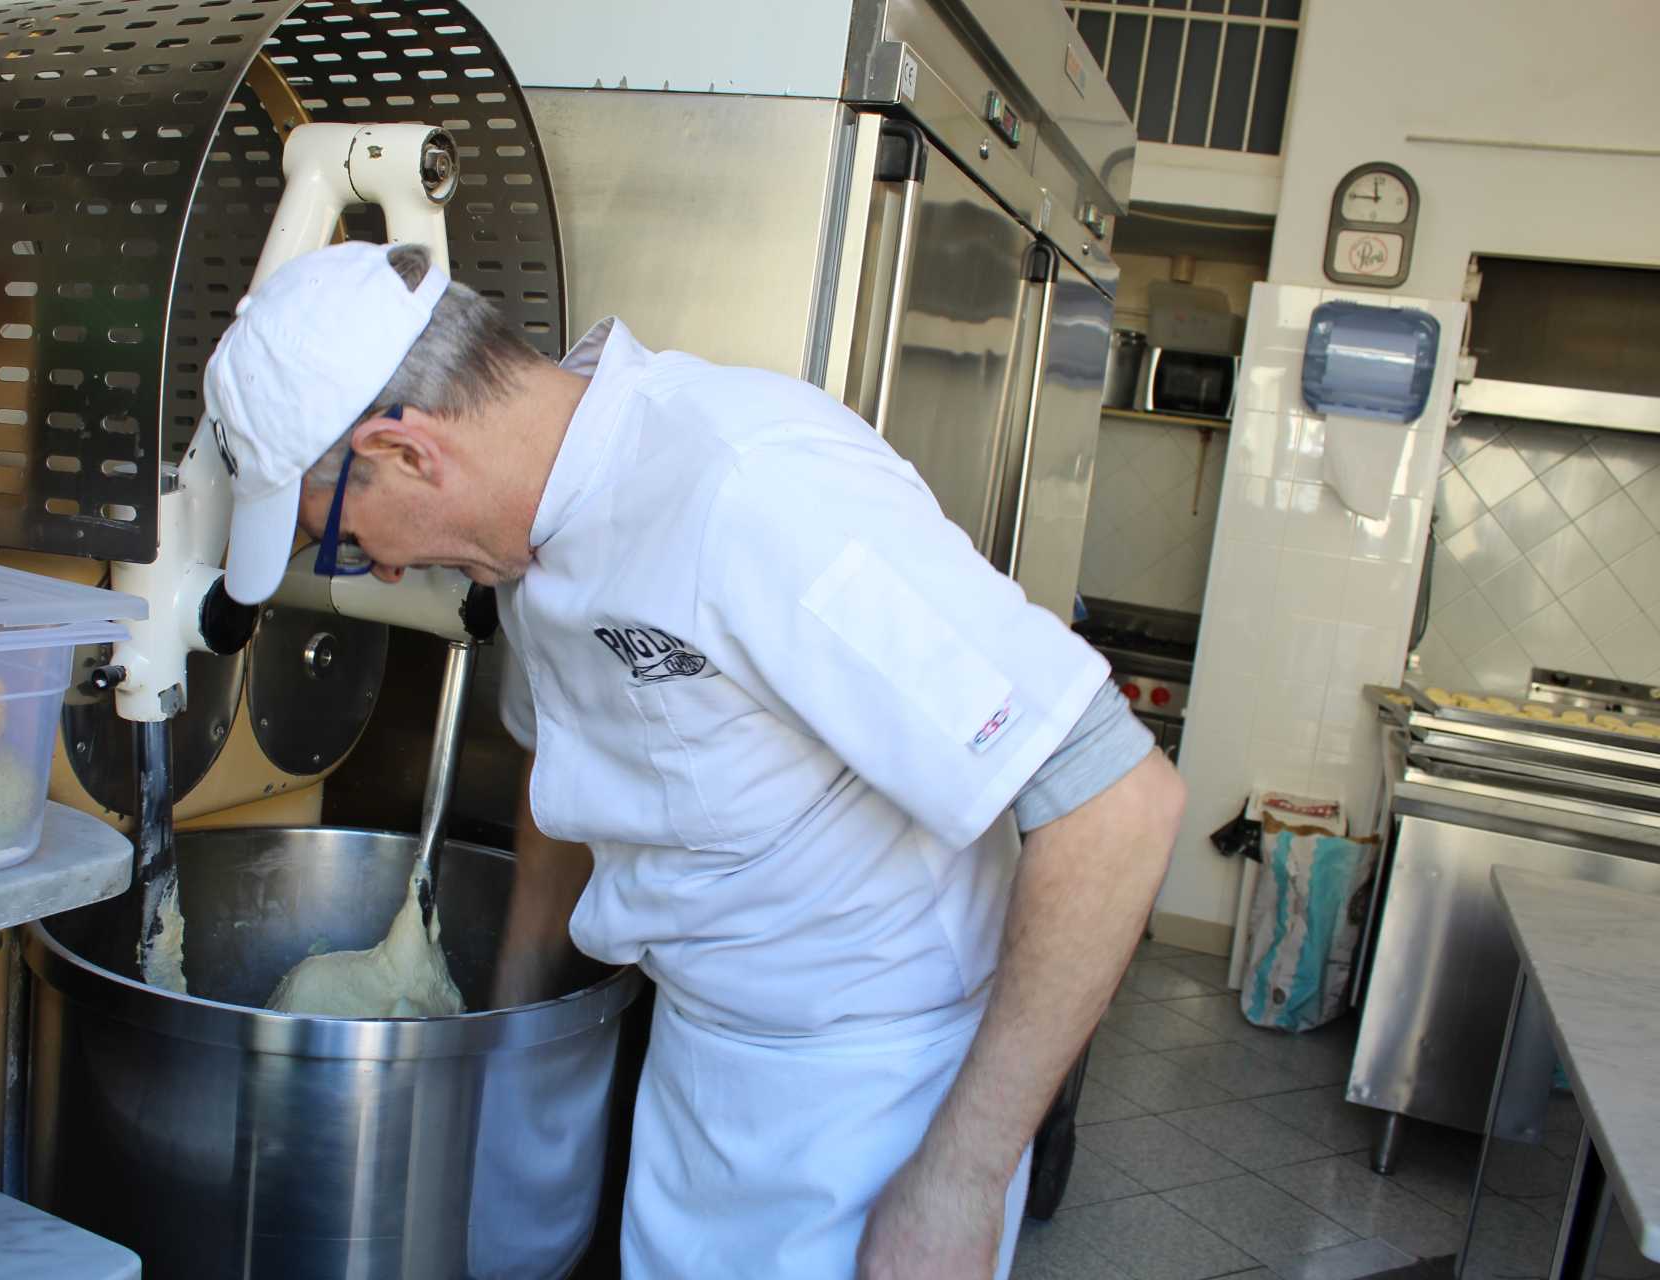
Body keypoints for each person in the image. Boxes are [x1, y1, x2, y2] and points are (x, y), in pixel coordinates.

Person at [205, 239, 1185, 1278]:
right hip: (699, 1064)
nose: (384, 567)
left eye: (345, 538)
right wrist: (515, 1028)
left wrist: (961, 1177)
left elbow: (1117, 803)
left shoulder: (754, 490)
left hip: (874, 1094)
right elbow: (567, 782)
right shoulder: (527, 540)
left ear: (407, 451)